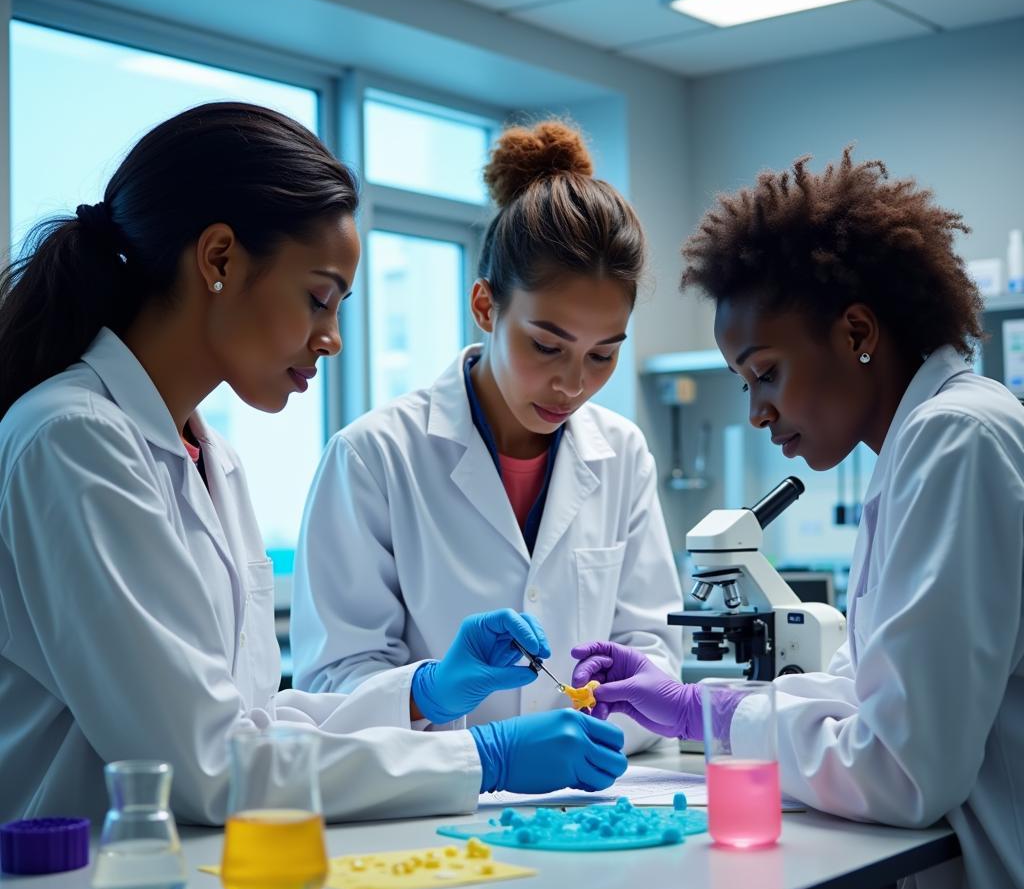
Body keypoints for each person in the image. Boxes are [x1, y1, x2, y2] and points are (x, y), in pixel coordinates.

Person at [0, 102, 627, 828]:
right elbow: (207, 766)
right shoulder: (72, 439)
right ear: (219, 259)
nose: (331, 339)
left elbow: (254, 722)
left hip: (183, 886)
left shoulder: (210, 459)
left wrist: (427, 691)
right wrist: (484, 757)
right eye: (318, 298)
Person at [571, 149, 1024, 889]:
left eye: (764, 373)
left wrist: (707, 716)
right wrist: (690, 708)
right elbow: (873, 692)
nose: (755, 412)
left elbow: (899, 768)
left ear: (856, 331)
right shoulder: (928, 441)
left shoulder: (955, 440)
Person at [290, 120, 681, 752]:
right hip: (433, 808)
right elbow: (333, 681)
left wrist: (601, 719)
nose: (572, 385)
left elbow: (651, 649)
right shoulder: (373, 457)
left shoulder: (623, 453)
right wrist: (471, 736)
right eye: (547, 345)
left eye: (602, 355)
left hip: (599, 795)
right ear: (485, 307)